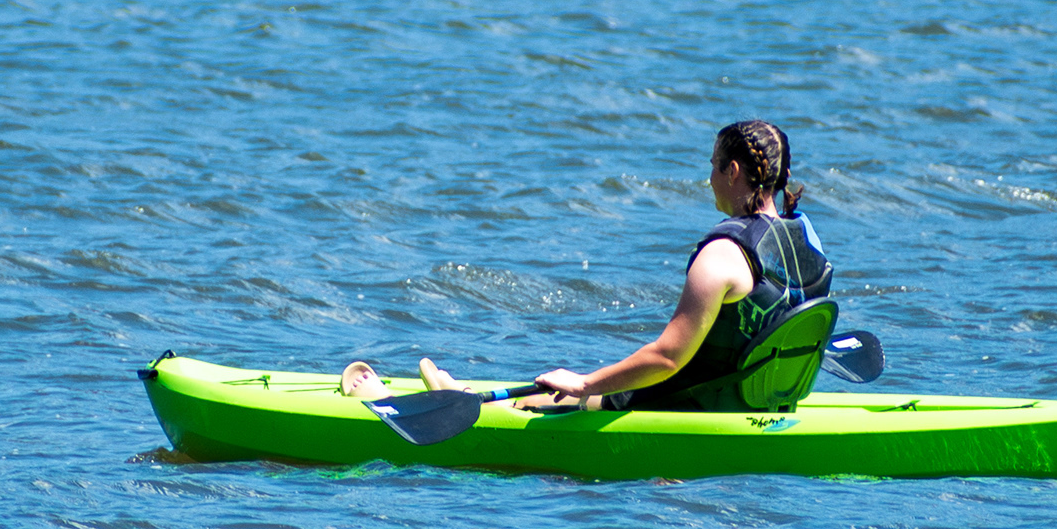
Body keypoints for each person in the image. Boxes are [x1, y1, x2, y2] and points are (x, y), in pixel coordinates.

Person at [346, 119, 838, 414]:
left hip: (698, 404)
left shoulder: (722, 257)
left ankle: (467, 400)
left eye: (713, 165)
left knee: (558, 398)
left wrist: (585, 384)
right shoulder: (807, 239)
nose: (708, 177)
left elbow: (667, 360)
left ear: (733, 172)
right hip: (768, 399)